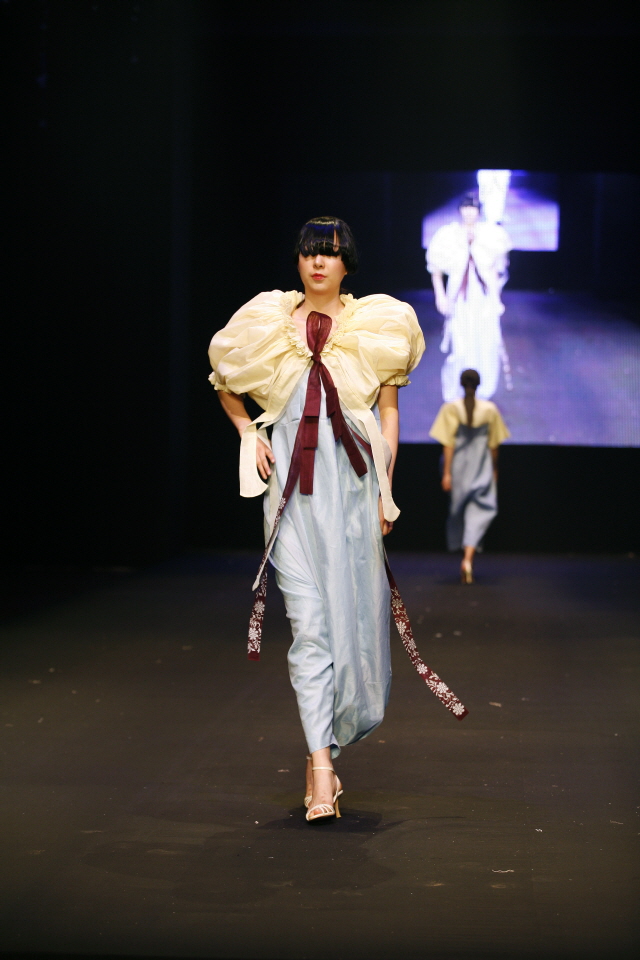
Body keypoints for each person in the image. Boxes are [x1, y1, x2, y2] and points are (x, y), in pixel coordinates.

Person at [208, 217, 425, 822]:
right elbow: (225, 379)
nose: (318, 262)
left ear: (347, 262)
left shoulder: (376, 325)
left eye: (329, 253)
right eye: (309, 252)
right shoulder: (267, 322)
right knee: (308, 629)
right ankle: (322, 768)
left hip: (352, 492)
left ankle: (321, 750)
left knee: (350, 629)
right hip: (291, 497)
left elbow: (387, 414)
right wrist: (248, 431)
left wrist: (384, 489)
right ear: (298, 261)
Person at [426, 194, 511, 402]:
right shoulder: (448, 235)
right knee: (461, 343)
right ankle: (460, 390)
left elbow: (496, 270)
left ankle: (483, 391)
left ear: (479, 211)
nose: (469, 212)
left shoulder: (491, 234)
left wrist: (497, 298)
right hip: (459, 299)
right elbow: (436, 269)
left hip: (484, 298)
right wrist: (440, 296)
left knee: (487, 342)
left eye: (473, 208)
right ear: (460, 210)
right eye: (465, 207)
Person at [429, 368, 510, 584]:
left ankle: (465, 556)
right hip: (481, 465)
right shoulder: (490, 409)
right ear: (479, 384)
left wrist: (447, 473)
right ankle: (468, 559)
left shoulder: (451, 408)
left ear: (461, 384)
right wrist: (494, 469)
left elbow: (448, 444)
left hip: (459, 466)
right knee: (480, 510)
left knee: (460, 511)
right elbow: (494, 445)